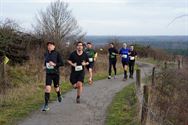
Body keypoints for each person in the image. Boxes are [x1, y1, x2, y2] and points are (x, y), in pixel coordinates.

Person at [42, 41, 64, 111]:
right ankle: (46, 105)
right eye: (48, 45)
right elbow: (46, 62)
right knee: (47, 88)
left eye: (51, 45)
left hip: (55, 73)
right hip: (48, 73)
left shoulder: (57, 54)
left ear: (54, 46)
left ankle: (59, 95)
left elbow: (62, 63)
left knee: (56, 87)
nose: (49, 46)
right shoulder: (46, 54)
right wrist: (45, 66)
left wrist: (54, 64)